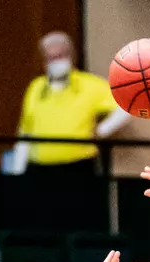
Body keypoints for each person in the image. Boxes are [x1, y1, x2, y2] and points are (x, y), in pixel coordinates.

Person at [14, 31, 128, 177]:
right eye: (50, 58)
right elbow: (25, 131)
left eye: (60, 56)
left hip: (78, 167)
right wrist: (17, 169)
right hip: (38, 168)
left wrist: (102, 130)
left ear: (71, 56)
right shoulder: (36, 87)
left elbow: (126, 106)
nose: (55, 62)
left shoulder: (90, 84)